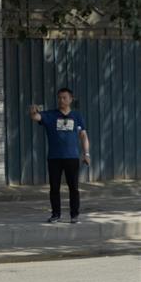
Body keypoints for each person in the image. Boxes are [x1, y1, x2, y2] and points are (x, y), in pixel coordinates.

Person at [29, 87, 90, 224]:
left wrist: (86, 153)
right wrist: (33, 110)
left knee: (73, 187)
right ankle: (56, 214)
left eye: (64, 98)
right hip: (54, 158)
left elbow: (83, 136)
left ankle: (74, 215)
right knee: (54, 187)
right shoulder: (50, 115)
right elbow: (36, 116)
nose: (61, 100)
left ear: (70, 99)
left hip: (72, 158)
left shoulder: (77, 116)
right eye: (59, 98)